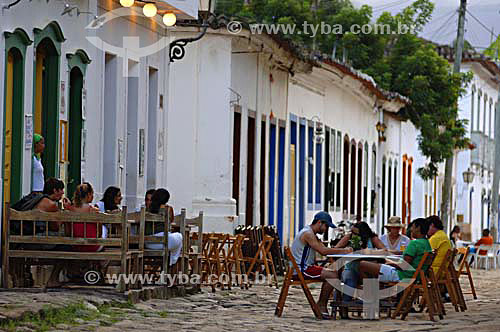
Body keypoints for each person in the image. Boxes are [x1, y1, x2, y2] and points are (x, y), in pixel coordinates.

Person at [291, 211, 352, 319]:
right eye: (326, 226)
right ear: (319, 223)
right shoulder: (308, 234)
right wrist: (343, 251)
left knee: (335, 271)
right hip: (301, 270)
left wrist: (340, 248)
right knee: (332, 275)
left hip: (304, 267)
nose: (326, 229)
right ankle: (322, 305)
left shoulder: (310, 233)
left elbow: (324, 249)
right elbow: (323, 251)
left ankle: (335, 304)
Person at [358, 218, 432, 283]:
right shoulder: (426, 243)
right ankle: (374, 293)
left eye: (412, 227)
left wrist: (390, 263)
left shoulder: (414, 243)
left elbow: (405, 265)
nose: (411, 230)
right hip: (415, 276)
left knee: (362, 264)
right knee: (373, 266)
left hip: (402, 275)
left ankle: (370, 294)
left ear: (418, 228)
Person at [145, 188, 183, 266]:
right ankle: (173, 260)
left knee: (175, 239)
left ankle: (172, 259)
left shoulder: (147, 209)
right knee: (179, 236)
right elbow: (171, 221)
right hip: (163, 242)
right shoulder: (168, 209)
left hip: (148, 243)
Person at [72, 182, 102, 252]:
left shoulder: (71, 209)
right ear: (88, 195)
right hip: (92, 246)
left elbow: (68, 232)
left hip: (76, 246)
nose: (93, 196)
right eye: (92, 194)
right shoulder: (94, 210)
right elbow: (99, 233)